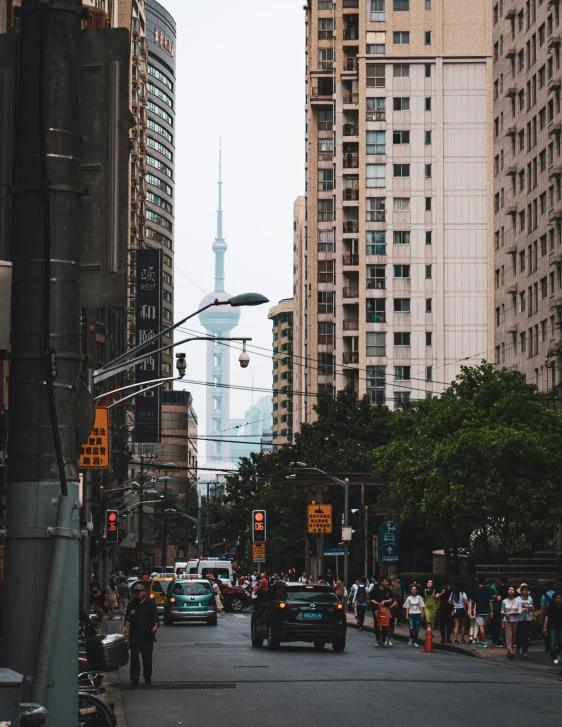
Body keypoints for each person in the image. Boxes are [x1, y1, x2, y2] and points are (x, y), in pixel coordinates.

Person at [125, 583, 159, 686]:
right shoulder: (132, 603)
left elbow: (155, 617)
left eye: (140, 591)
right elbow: (127, 618)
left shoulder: (150, 603)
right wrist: (130, 614)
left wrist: (155, 625)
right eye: (136, 592)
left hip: (147, 635)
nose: (138, 593)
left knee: (147, 657)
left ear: (144, 592)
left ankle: (147, 675)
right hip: (135, 634)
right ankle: (134, 678)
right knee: (134, 658)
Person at [369, 577, 395, 647]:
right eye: (385, 581)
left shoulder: (388, 590)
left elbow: (391, 599)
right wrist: (378, 603)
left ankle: (383, 640)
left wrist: (384, 601)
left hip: (385, 609)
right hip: (376, 609)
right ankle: (378, 640)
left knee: (385, 625)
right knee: (377, 624)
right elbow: (371, 599)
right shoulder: (375, 590)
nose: (387, 583)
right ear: (381, 582)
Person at [469, 577, 494, 648]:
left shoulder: (475, 591)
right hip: (487, 610)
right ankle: (480, 640)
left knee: (481, 626)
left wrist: (471, 610)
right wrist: (491, 611)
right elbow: (490, 602)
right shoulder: (488, 590)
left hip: (479, 611)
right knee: (483, 626)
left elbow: (473, 602)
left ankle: (484, 641)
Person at [500, 585, 521, 660]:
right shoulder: (504, 601)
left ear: (514, 592)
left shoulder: (517, 601)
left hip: (515, 620)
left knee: (513, 636)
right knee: (508, 636)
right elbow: (502, 611)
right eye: (509, 590)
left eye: (512, 590)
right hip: (507, 620)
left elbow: (519, 611)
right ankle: (511, 652)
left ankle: (509, 650)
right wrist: (505, 614)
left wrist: (511, 613)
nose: (511, 591)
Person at [514, 583, 534, 657]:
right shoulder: (517, 599)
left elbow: (532, 608)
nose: (525, 592)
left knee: (526, 635)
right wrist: (521, 608)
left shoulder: (530, 598)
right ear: (521, 591)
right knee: (519, 635)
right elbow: (515, 608)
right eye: (524, 590)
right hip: (519, 619)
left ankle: (525, 650)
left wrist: (528, 606)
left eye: (526, 590)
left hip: (527, 619)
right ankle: (518, 648)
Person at [543, 592, 562, 665]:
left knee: (560, 642)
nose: (558, 599)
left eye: (559, 598)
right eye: (557, 598)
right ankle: (554, 657)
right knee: (552, 643)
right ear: (554, 599)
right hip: (552, 627)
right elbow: (547, 617)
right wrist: (545, 627)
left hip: (560, 627)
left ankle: (558, 652)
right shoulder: (550, 607)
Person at [490, 576, 508, 647]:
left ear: (500, 581)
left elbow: (499, 598)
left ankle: (499, 640)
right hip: (510, 609)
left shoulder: (500, 589)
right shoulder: (510, 588)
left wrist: (495, 596)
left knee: (501, 624)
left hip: (502, 608)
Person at [436, 579, 453, 643]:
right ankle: (443, 638)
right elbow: (436, 597)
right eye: (444, 585)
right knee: (442, 623)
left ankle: (448, 638)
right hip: (442, 606)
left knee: (449, 623)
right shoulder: (441, 588)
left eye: (446, 585)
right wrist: (441, 593)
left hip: (450, 606)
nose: (445, 586)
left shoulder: (452, 589)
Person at [540, 583, 556, 653]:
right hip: (556, 614)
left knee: (546, 631)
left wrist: (541, 618)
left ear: (546, 588)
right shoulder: (557, 595)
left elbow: (542, 608)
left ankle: (548, 647)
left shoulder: (544, 596)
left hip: (548, 614)